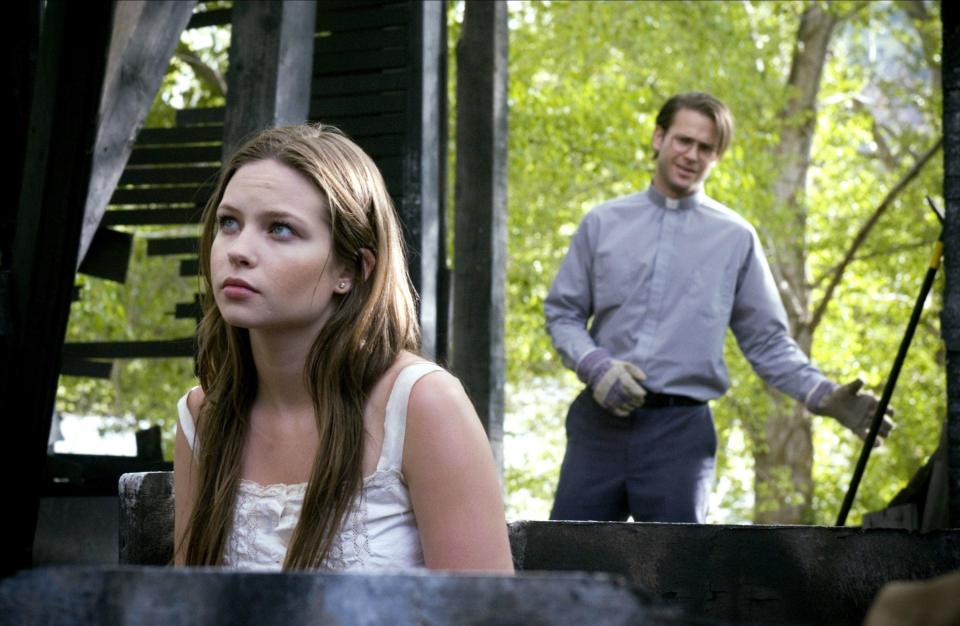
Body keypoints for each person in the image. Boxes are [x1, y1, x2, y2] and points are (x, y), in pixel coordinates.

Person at [174, 124, 514, 572]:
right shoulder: (204, 415)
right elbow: (183, 607)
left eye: (279, 229)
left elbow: (485, 618)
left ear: (351, 269)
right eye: (229, 223)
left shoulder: (422, 404)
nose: (239, 250)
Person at [544, 92, 894, 523]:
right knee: (564, 559)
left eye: (705, 147)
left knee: (678, 578)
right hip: (598, 428)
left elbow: (766, 341)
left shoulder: (736, 238)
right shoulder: (602, 223)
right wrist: (595, 365)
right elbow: (563, 314)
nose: (691, 155)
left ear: (717, 156)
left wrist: (821, 394)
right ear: (659, 138)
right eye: (682, 140)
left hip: (681, 438)